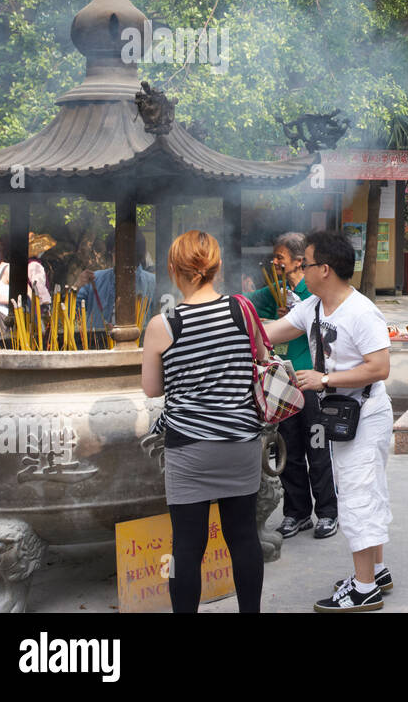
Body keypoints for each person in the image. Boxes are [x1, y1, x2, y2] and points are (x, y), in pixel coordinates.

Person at [264, 230, 393, 612]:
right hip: (342, 416)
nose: (298, 269)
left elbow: (380, 367)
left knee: (357, 496)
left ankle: (364, 588)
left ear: (325, 269)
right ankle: (377, 571)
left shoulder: (361, 311)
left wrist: (325, 379)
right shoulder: (314, 307)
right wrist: (233, 325)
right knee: (367, 491)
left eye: (304, 262)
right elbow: (274, 332)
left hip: (366, 416)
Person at [139, 230, 265, 613]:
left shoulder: (164, 324)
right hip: (240, 443)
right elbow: (259, 356)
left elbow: (151, 389)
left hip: (189, 449)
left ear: (173, 269)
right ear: (217, 267)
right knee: (244, 537)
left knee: (187, 548)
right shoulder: (242, 310)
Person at [245, 232, 338, 540]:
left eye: (281, 257)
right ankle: (297, 513)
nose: (275, 262)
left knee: (316, 448)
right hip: (281, 380)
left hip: (310, 381)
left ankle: (327, 511)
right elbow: (248, 310)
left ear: (300, 261)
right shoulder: (274, 291)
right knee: (289, 449)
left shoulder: (312, 293)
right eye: (274, 257)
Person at [75, 232, 155, 333]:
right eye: (116, 251)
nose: (122, 256)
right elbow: (71, 313)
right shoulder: (95, 279)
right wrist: (76, 287)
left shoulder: (153, 283)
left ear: (137, 253)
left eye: (127, 251)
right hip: (98, 345)